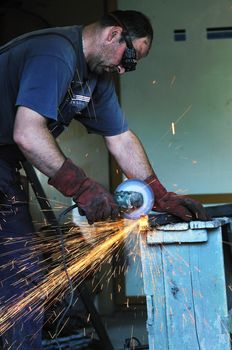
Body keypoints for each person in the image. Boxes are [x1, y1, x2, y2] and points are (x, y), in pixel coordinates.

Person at [0, 9, 209, 349]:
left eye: (133, 65)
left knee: (20, 268)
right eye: (128, 58)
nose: (125, 69)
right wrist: (80, 186)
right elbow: (27, 132)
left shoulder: (96, 77)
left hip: (6, 165)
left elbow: (121, 138)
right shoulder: (55, 53)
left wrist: (158, 193)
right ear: (113, 34)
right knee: (17, 271)